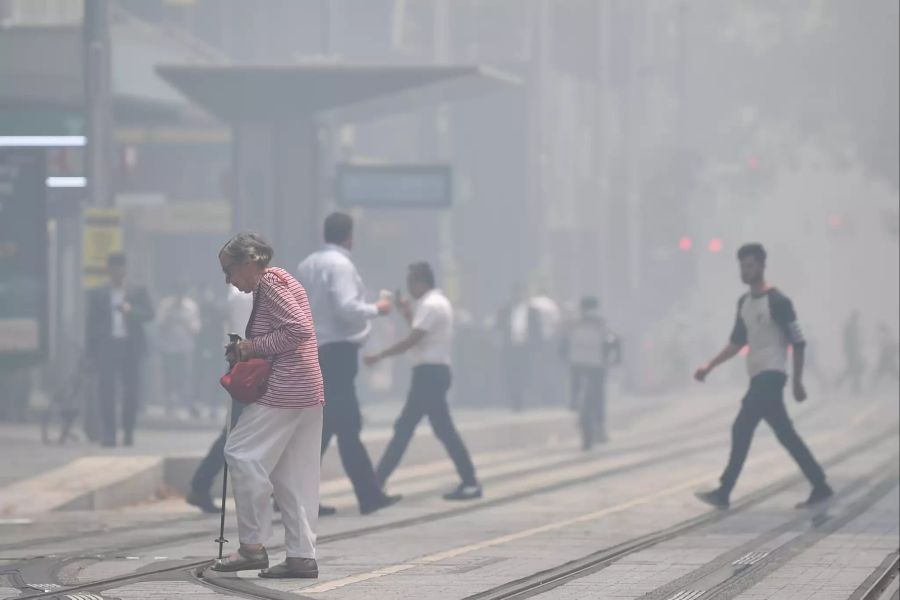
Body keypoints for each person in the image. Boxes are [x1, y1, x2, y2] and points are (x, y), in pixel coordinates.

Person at [211, 232, 324, 579]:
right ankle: (302, 556)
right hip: (307, 386)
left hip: (287, 386)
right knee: (289, 475)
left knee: (241, 453)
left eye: (230, 270)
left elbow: (299, 329)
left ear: (249, 262)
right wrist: (252, 347)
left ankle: (252, 546)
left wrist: (252, 347)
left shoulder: (270, 283)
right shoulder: (280, 279)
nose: (229, 279)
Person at [694, 243, 832, 510]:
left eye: (749, 265)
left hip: (772, 375)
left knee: (741, 427)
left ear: (761, 266)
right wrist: (709, 366)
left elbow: (798, 341)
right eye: (742, 266)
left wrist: (797, 381)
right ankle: (820, 484)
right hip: (758, 375)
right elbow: (736, 342)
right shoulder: (744, 303)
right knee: (785, 434)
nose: (745, 271)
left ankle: (724, 491)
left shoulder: (778, 302)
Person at [297, 212, 400, 516]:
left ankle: (298, 493)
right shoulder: (340, 265)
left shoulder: (307, 265)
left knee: (328, 426)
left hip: (314, 351)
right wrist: (377, 309)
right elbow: (346, 308)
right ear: (349, 236)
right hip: (338, 354)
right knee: (346, 425)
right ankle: (368, 495)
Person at [365, 262, 482, 501]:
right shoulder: (435, 303)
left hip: (429, 374)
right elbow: (420, 335)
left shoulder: (430, 305)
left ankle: (376, 483)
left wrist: (379, 355)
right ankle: (469, 481)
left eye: (411, 284)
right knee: (440, 429)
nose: (409, 289)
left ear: (420, 282)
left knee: (405, 428)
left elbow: (413, 339)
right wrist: (407, 313)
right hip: (433, 372)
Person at [186, 285, 253, 514]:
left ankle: (201, 485)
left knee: (246, 430)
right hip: (251, 366)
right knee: (236, 431)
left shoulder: (240, 292)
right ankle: (200, 484)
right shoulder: (248, 292)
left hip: (248, 363)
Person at [85, 252, 154, 447]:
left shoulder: (137, 291)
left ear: (125, 270)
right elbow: (90, 325)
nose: (117, 272)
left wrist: (131, 311)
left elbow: (150, 314)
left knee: (131, 392)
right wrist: (90, 353)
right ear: (108, 270)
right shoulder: (98, 294)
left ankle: (128, 431)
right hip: (107, 347)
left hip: (130, 347)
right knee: (106, 391)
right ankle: (109, 433)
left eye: (120, 268)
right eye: (113, 268)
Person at [560, 296, 617, 450]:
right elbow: (611, 342)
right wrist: (614, 359)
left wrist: (564, 358)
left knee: (576, 387)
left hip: (577, 364)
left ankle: (573, 403)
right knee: (598, 396)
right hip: (596, 365)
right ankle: (599, 425)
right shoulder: (600, 323)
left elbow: (563, 343)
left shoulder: (572, 324)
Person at [157, 283, 201, 415]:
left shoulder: (191, 307)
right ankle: (169, 405)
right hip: (168, 347)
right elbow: (160, 325)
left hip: (185, 348)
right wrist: (170, 317)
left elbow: (196, 329)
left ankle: (186, 404)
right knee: (169, 376)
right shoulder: (165, 305)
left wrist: (184, 322)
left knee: (184, 377)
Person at [834, 310, 865, 395]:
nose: (857, 319)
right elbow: (848, 341)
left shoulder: (852, 326)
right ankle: (856, 389)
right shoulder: (850, 326)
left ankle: (838, 383)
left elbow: (855, 340)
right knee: (854, 370)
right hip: (852, 352)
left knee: (850, 370)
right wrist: (850, 351)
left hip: (853, 352)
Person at [871, 322, 900, 389]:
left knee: (884, 371)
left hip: (886, 356)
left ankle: (873, 385)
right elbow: (894, 344)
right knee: (892, 372)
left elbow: (891, 345)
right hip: (887, 356)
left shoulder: (885, 335)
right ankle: (873, 384)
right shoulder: (887, 335)